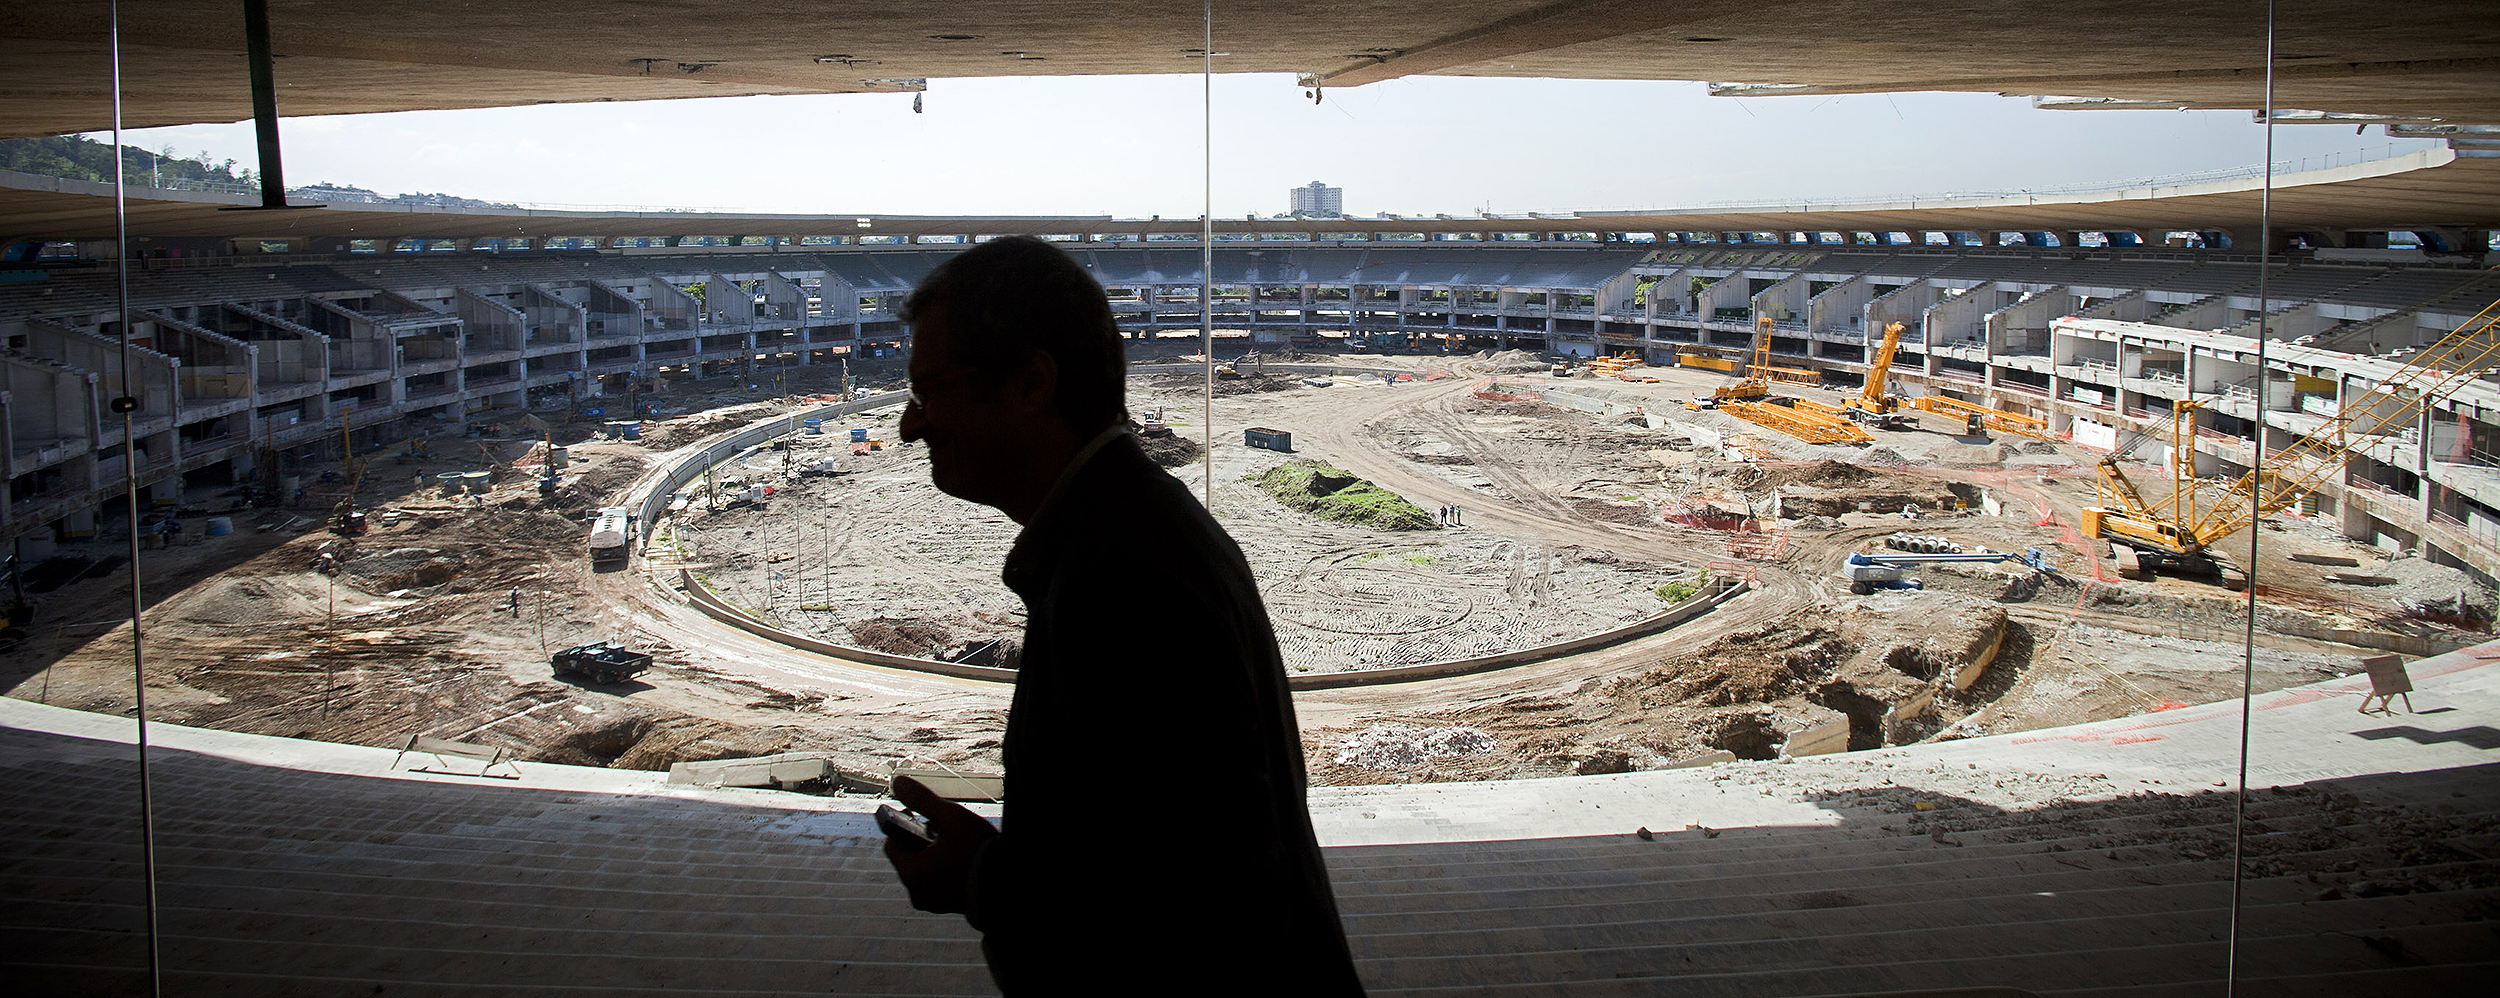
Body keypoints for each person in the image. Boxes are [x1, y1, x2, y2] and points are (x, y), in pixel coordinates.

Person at [883, 236, 1364, 995]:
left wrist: (984, 883)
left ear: (1031, 383)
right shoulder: (1130, 529)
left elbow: (1202, 907)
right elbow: (1148, 847)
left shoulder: (1118, 578)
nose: (913, 426)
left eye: (929, 390)